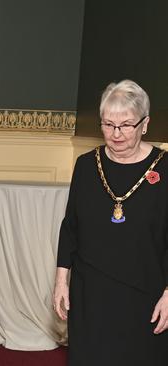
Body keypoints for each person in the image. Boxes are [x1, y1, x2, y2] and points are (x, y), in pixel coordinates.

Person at [53, 80, 168, 365]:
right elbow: (71, 228)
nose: (116, 134)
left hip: (145, 297)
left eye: (126, 125)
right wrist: (60, 281)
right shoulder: (85, 165)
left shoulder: (165, 168)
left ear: (145, 124)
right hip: (90, 295)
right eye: (107, 124)